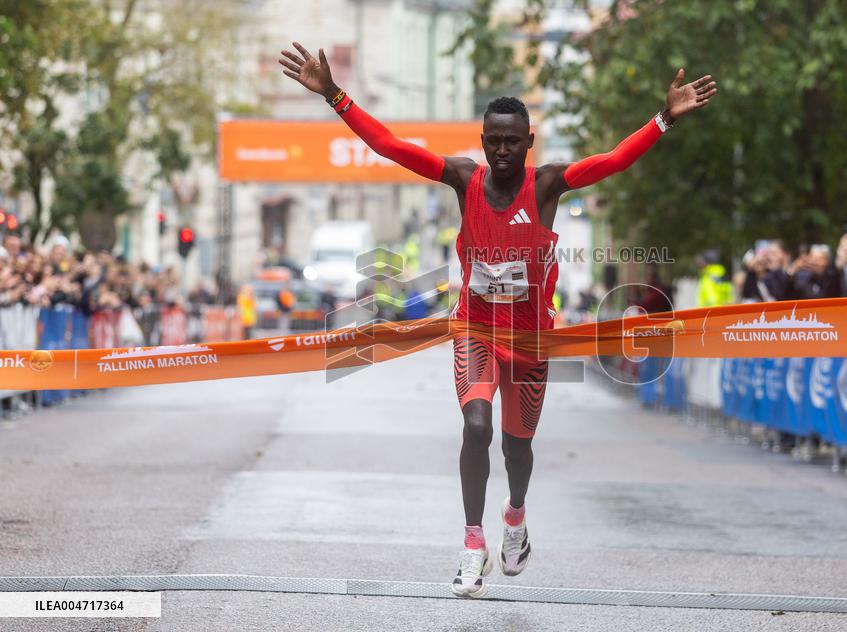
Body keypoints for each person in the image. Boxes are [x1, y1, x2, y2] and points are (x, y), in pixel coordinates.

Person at [280, 41, 717, 598]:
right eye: (494, 140)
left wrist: (662, 119)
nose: (503, 150)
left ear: (529, 142)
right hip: (475, 331)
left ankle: (515, 517)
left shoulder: (547, 185)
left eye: (514, 140)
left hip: (533, 338)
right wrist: (336, 96)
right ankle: (470, 545)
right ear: (482, 141)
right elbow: (391, 146)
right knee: (477, 427)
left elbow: (611, 161)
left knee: (517, 448)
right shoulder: (465, 180)